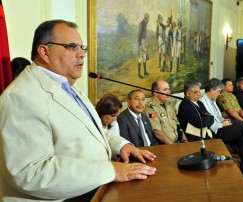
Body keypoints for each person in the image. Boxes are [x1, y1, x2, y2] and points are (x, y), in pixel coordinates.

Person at [0, 19, 157, 202]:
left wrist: (122, 145)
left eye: (82, 47)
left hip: (92, 191)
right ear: (44, 52)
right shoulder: (21, 97)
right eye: (72, 47)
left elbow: (91, 131)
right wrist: (111, 170)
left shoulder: (67, 86)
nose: (82, 54)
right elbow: (30, 172)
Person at [200, 78, 243, 184]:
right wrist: (222, 123)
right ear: (212, 90)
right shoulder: (202, 103)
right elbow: (210, 125)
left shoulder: (212, 100)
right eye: (218, 91)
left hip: (222, 125)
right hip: (216, 132)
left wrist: (224, 120)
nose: (219, 94)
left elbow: (217, 116)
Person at [138, 13, 149, 78]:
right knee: (140, 58)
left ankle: (145, 71)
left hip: (144, 41)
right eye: (147, 19)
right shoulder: (141, 24)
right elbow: (139, 34)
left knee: (144, 56)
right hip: (141, 41)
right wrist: (139, 44)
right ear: (145, 18)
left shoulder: (144, 24)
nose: (148, 21)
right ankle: (139, 74)